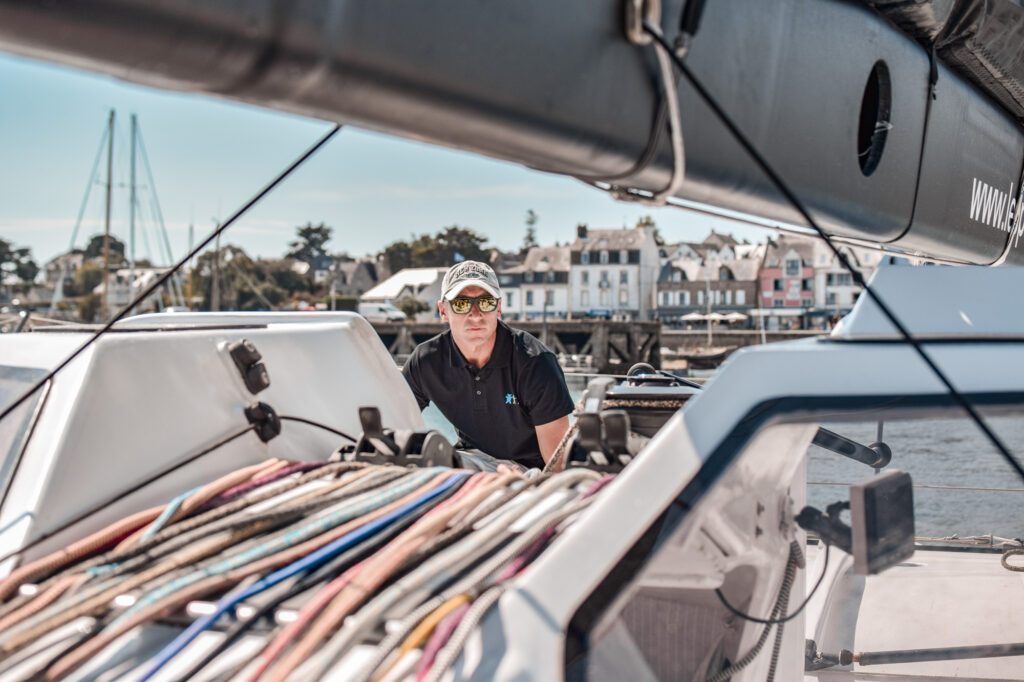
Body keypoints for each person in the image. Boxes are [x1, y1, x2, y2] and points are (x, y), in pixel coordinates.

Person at [402, 260, 574, 469]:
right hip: (469, 459)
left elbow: (556, 466)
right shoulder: (426, 361)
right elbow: (395, 425)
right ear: (443, 311)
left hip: (527, 470)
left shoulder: (535, 363)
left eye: (485, 302)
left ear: (499, 307)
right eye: (461, 304)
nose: (475, 314)